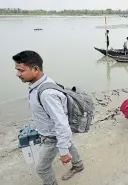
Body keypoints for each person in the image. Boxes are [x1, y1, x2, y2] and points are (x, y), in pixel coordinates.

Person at [13, 51, 84, 185]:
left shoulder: (47, 94)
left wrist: (62, 152)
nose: (17, 74)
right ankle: (79, 164)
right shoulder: (43, 82)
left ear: (35, 69)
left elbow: (61, 124)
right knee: (69, 144)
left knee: (41, 168)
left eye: (20, 70)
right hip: (53, 131)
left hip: (52, 137)